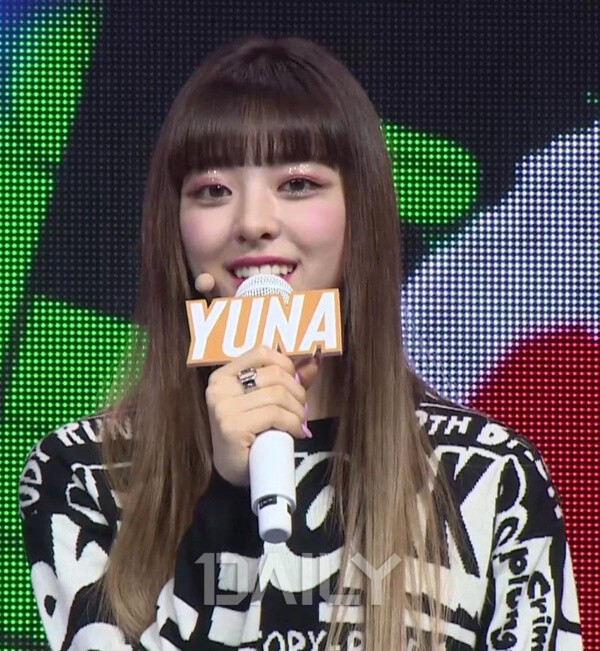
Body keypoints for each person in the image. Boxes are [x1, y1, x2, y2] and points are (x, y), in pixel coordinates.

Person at [19, 35, 582, 651]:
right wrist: (222, 499)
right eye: (212, 190)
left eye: (296, 184)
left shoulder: (490, 476)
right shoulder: (86, 475)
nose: (253, 222)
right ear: (175, 228)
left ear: (359, 213)